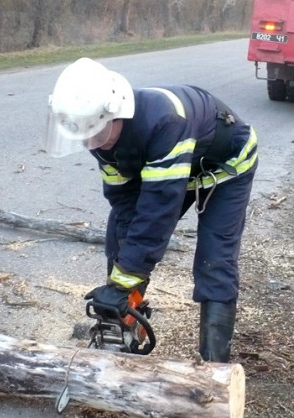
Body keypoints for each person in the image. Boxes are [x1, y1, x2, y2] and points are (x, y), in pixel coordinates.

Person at [46, 58, 258, 362]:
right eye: (85, 135)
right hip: (175, 168)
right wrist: (119, 280)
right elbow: (125, 204)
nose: (92, 143)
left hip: (227, 167)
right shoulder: (95, 129)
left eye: (97, 132)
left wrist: (126, 277)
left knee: (215, 258)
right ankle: (121, 328)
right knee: (120, 239)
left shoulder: (163, 120)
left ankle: (215, 367)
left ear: (115, 111)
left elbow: (158, 211)